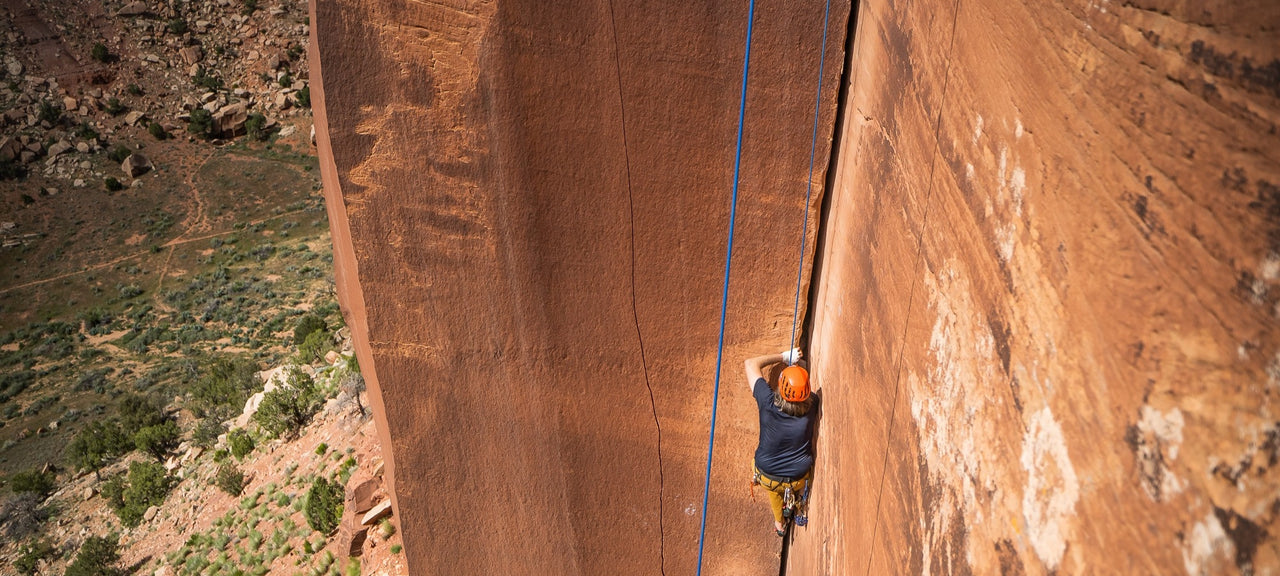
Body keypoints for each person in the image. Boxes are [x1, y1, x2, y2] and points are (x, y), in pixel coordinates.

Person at [744, 348, 818, 536]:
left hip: (769, 477)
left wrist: (784, 357)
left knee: (773, 492)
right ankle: (799, 500)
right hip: (799, 477)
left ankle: (779, 523)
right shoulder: (813, 406)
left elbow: (750, 363)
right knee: (791, 480)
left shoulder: (767, 403)